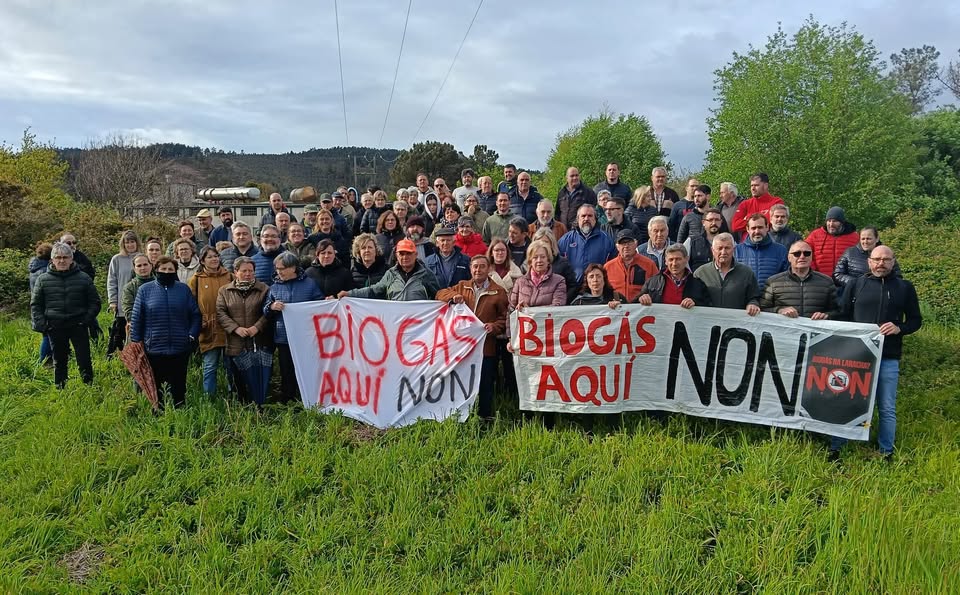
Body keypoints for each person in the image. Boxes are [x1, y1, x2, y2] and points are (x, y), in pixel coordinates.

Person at [829, 245, 922, 461]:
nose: (881, 263)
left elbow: (916, 320)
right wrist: (823, 317)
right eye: (877, 259)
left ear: (893, 262)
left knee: (886, 406)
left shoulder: (905, 287)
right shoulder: (856, 284)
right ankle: (837, 446)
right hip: (855, 356)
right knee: (845, 400)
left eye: (886, 260)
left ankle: (886, 451)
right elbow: (843, 314)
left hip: (888, 356)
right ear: (869, 261)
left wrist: (900, 328)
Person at [436, 254, 509, 419]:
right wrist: (452, 297)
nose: (478, 270)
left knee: (485, 384)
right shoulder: (462, 286)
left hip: (486, 348)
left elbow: (505, 318)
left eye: (482, 266)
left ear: (489, 269)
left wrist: (494, 327)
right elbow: (440, 293)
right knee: (460, 383)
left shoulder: (498, 291)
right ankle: (458, 416)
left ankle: (485, 417)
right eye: (475, 266)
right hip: (462, 349)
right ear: (470, 269)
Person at [130, 256, 201, 407]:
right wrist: (136, 343)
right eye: (163, 269)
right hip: (154, 347)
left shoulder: (183, 289)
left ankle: (181, 411)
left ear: (175, 271)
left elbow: (195, 314)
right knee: (156, 385)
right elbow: (137, 318)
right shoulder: (145, 290)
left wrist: (191, 335)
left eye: (170, 269)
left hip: (180, 346)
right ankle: (158, 413)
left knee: (179, 384)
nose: (166, 272)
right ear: (156, 270)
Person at [31, 242, 101, 388]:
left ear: (71, 259)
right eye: (58, 257)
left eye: (65, 257)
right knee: (59, 360)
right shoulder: (43, 279)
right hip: (55, 326)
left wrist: (86, 320)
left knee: (84, 359)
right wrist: (44, 325)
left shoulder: (83, 278)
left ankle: (89, 388)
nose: (62, 261)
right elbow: (36, 305)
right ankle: (60, 389)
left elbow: (94, 302)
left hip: (78, 325)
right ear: (52, 259)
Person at [264, 252, 324, 403]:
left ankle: (309, 399)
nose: (279, 272)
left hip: (305, 337)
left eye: (282, 268)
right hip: (283, 337)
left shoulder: (309, 284)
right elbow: (265, 310)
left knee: (306, 369)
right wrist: (271, 306)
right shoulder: (274, 287)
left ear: (293, 268)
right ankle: (288, 400)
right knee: (286, 370)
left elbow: (320, 304)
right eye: (277, 268)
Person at [216, 256, 272, 406]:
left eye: (251, 271)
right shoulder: (224, 291)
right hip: (235, 342)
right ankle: (240, 405)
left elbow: (268, 313)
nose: (248, 274)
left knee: (257, 378)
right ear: (235, 272)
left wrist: (256, 327)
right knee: (236, 377)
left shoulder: (264, 289)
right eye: (244, 271)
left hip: (257, 342)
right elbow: (221, 313)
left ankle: (259, 405)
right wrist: (236, 328)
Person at [187, 246, 232, 396]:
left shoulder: (229, 276)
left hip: (228, 325)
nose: (214, 259)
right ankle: (209, 398)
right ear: (202, 261)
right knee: (210, 365)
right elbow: (191, 304)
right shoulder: (196, 280)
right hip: (208, 326)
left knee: (230, 364)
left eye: (216, 256)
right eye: (209, 257)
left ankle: (234, 395)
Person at [760, 241, 839, 319]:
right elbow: (762, 310)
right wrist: (779, 310)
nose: (802, 256)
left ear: (812, 256)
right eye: (797, 254)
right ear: (789, 257)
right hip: (785, 330)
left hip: (815, 330)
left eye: (807, 253)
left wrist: (827, 315)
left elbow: (838, 311)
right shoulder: (773, 282)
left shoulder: (826, 282)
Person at [341, 239, 441, 301]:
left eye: (408, 253)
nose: (405, 257)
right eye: (401, 254)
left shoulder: (426, 274)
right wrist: (350, 294)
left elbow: (439, 295)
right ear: (396, 256)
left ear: (416, 255)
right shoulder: (391, 274)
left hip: (419, 326)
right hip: (395, 326)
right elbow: (373, 290)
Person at [693, 233, 761, 314]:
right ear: (712, 250)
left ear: (734, 249)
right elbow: (694, 298)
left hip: (736, 324)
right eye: (720, 248)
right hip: (708, 324)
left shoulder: (747, 273)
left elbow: (754, 297)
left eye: (727, 248)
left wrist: (752, 304)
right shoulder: (700, 273)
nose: (723, 252)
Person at [558, 204, 617, 284]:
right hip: (572, 287)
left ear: (595, 219)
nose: (586, 219)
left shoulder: (607, 240)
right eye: (583, 216)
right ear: (578, 219)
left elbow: (613, 265)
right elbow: (558, 265)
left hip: (596, 287)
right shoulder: (565, 240)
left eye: (590, 216)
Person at [638, 244, 711, 308]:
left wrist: (695, 303)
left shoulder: (698, 284)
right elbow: (635, 307)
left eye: (678, 259)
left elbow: (709, 307)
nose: (674, 263)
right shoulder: (652, 282)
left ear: (686, 259)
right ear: (665, 261)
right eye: (671, 259)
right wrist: (642, 299)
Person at [833, 226, 901, 292]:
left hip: (880, 293)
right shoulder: (849, 253)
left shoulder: (886, 253)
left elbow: (897, 276)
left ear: (877, 239)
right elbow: (837, 274)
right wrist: (857, 283)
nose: (865, 242)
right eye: (863, 239)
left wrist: (879, 285)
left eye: (869, 239)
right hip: (855, 294)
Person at [106, 230, 141, 355]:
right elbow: (112, 281)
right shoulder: (117, 259)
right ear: (123, 244)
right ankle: (115, 355)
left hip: (138, 299)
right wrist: (113, 300)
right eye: (127, 242)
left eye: (132, 242)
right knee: (119, 330)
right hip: (122, 301)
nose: (130, 245)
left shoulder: (141, 257)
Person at [734, 213, 788, 292]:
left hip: (772, 300)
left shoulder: (781, 250)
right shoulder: (736, 250)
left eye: (760, 227)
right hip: (744, 299)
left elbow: (787, 278)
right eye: (753, 228)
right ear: (747, 229)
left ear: (767, 227)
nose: (757, 231)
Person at [604, 230, 659, 303]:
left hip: (641, 309)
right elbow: (603, 292)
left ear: (636, 244)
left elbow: (658, 288)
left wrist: (647, 297)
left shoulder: (649, 264)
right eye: (623, 243)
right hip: (616, 310)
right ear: (617, 247)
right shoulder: (608, 267)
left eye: (629, 242)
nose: (626, 246)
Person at [510, 241, 567, 311]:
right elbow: (511, 309)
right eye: (535, 257)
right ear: (530, 261)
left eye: (543, 257)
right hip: (524, 322)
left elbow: (558, 307)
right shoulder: (520, 281)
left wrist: (530, 310)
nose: (539, 260)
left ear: (548, 260)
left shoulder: (559, 281)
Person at [806, 206, 858, 277]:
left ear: (842, 222)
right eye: (829, 221)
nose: (831, 224)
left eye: (835, 221)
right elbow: (804, 251)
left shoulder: (854, 237)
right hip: (820, 280)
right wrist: (812, 270)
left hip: (845, 281)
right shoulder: (815, 235)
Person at [530, 227, 578, 304]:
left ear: (552, 244)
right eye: (538, 242)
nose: (542, 245)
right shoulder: (530, 263)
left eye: (545, 242)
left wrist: (561, 301)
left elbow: (573, 287)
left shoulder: (563, 263)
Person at [731, 173, 784, 237]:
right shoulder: (745, 204)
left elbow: (773, 221)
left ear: (765, 186)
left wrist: (748, 218)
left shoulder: (776, 202)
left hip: (769, 241)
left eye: (756, 185)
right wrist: (762, 219)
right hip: (748, 243)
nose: (753, 188)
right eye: (751, 185)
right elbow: (735, 226)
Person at [28, 242, 54, 364]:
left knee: (47, 336)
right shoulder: (45, 271)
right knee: (48, 337)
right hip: (45, 308)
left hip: (37, 307)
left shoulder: (34, 268)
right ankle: (44, 362)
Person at [122, 253, 153, 323]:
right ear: (134, 269)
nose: (143, 268)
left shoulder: (160, 284)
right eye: (139, 266)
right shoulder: (129, 288)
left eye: (145, 264)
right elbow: (129, 312)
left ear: (151, 266)